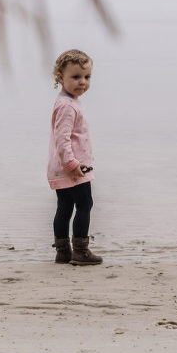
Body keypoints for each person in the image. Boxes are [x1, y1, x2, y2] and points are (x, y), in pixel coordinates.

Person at [47, 49, 103, 265]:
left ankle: (63, 253)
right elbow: (62, 139)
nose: (83, 82)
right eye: (76, 77)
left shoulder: (66, 101)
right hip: (73, 167)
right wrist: (72, 164)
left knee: (65, 207)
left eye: (87, 77)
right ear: (60, 77)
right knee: (85, 204)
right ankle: (80, 251)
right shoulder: (68, 106)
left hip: (62, 166)